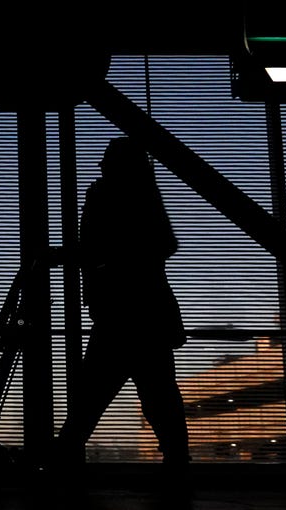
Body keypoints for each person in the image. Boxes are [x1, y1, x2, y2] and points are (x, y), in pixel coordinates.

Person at [55, 136, 190, 466]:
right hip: (146, 314)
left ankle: (61, 456)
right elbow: (164, 245)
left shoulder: (107, 196)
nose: (101, 167)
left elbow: (94, 248)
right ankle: (177, 460)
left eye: (108, 162)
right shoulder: (141, 196)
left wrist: (102, 258)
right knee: (155, 395)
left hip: (120, 313)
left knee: (95, 395)